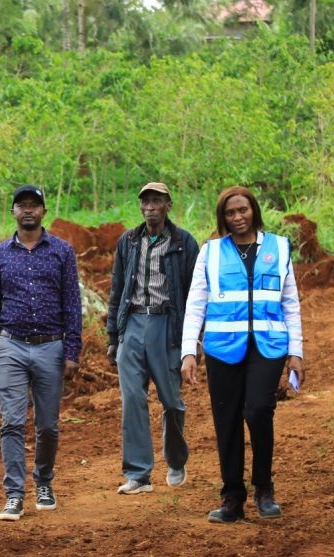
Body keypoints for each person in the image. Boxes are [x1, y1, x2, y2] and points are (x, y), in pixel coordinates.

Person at [180, 185, 305, 523]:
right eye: (230, 213)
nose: (238, 217)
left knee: (259, 408)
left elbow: (290, 303)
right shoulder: (210, 253)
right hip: (222, 347)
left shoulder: (278, 247)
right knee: (227, 419)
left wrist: (296, 351)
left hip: (268, 344)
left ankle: (264, 488)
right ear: (223, 217)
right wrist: (189, 351)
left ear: (254, 211)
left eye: (243, 210)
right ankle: (232, 497)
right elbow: (196, 303)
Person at [0, 185, 82, 521]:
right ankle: (14, 493)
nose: (28, 210)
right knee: (11, 422)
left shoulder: (62, 252)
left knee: (48, 425)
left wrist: (73, 351)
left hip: (51, 346)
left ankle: (44, 482)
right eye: (21, 205)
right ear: (13, 212)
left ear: (43, 211)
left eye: (34, 205)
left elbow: (72, 304)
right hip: (11, 346)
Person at [106, 182, 199, 495]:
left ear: (168, 205)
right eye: (145, 202)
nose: (150, 207)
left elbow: (195, 294)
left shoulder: (184, 242)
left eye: (156, 201)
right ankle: (138, 474)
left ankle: (176, 458)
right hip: (132, 322)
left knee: (171, 401)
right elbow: (117, 288)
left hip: (167, 325)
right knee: (133, 398)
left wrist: (191, 341)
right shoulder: (128, 241)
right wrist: (113, 336)